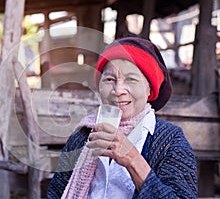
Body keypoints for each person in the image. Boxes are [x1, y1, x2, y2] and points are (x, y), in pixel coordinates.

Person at [46, 37, 198, 198]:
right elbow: (55, 194)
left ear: (149, 90)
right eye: (110, 79)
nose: (118, 90)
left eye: (131, 79)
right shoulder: (81, 137)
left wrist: (132, 159)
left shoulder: (171, 141)